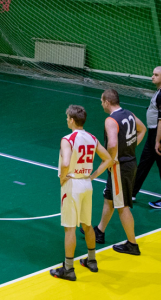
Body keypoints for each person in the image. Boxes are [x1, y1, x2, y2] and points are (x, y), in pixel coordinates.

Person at [49, 105, 113, 281]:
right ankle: (91, 261)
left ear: (72, 120)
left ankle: (68, 269)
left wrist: (63, 178)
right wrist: (92, 176)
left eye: (67, 118)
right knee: (87, 224)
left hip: (72, 184)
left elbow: (66, 163)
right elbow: (108, 159)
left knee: (70, 228)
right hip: (86, 183)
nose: (66, 120)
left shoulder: (67, 139)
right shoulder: (92, 138)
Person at [91, 89, 147, 255]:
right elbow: (142, 129)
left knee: (122, 206)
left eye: (102, 101)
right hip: (129, 162)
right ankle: (100, 231)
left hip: (120, 167)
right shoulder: (129, 114)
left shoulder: (111, 120)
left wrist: (110, 159)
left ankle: (132, 244)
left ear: (107, 102)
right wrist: (130, 147)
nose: (101, 104)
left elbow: (113, 144)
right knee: (109, 197)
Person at [133, 66, 161, 209]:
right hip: (155, 134)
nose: (152, 77)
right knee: (144, 163)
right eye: (153, 74)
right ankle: (131, 193)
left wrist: (157, 141)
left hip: (160, 135)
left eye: (156, 75)